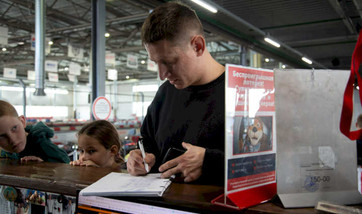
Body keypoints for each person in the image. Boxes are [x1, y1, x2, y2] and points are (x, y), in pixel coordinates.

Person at [127, 1, 225, 185]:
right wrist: (140, 158)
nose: (162, 74)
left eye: (169, 61)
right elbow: (148, 144)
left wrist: (210, 162)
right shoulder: (165, 94)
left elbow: (267, 166)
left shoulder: (242, 92)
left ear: (197, 46)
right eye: (156, 62)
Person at [0, 100, 70, 163]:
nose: (12, 140)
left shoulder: (42, 144)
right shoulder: (2, 153)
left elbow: (65, 164)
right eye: (2, 136)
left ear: (22, 121)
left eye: (14, 128)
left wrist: (45, 165)